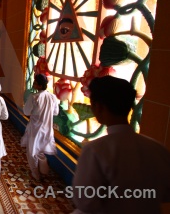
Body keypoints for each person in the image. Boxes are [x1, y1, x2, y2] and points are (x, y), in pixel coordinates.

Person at [71, 76, 170, 214]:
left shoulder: (95, 150)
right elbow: (166, 195)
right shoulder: (158, 149)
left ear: (98, 107)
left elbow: (85, 202)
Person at [21, 73, 59, 180]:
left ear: (40, 85)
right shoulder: (53, 97)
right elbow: (55, 112)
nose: (33, 84)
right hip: (47, 128)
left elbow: (26, 111)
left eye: (35, 83)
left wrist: (35, 112)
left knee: (32, 152)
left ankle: (36, 174)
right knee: (41, 150)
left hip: (35, 128)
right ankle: (44, 171)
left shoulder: (34, 97)